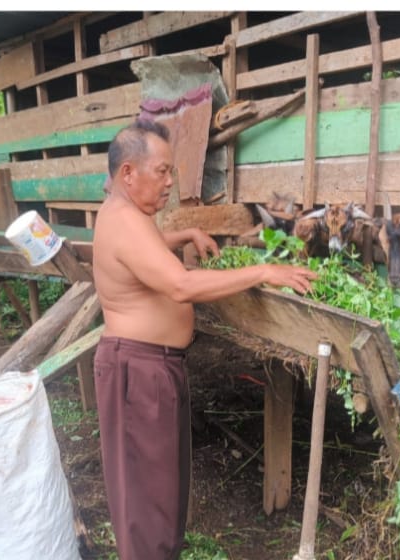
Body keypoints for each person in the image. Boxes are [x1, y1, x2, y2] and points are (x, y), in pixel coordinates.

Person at [92, 119, 317, 560]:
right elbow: (179, 285)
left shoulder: (125, 215)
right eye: (163, 171)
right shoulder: (124, 221)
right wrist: (263, 271)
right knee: (147, 501)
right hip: (137, 373)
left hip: (149, 369)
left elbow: (150, 247)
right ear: (128, 174)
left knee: (160, 490)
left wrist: (187, 233)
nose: (171, 182)